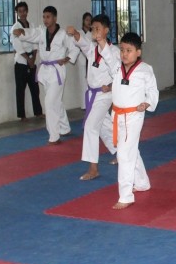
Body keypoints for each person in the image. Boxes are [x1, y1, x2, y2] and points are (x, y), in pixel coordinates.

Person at [13, 6, 80, 144]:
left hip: (57, 70)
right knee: (56, 101)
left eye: (48, 17)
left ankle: (54, 136)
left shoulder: (63, 34)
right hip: (45, 70)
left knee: (49, 102)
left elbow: (74, 48)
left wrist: (67, 59)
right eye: (44, 17)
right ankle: (65, 128)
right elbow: (31, 33)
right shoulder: (41, 32)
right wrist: (21, 32)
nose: (45, 20)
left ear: (55, 18)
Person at [66, 14, 119, 181]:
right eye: (93, 28)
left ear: (106, 30)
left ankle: (93, 168)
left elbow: (118, 73)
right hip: (93, 93)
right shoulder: (92, 48)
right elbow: (82, 42)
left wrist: (110, 86)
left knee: (90, 126)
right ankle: (120, 152)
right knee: (103, 125)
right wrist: (75, 33)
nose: (95, 31)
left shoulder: (114, 51)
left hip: (105, 94)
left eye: (98, 28)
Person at [110, 32, 158, 209]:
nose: (124, 54)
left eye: (129, 50)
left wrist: (147, 102)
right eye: (122, 50)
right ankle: (142, 182)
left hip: (134, 116)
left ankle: (126, 195)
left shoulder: (145, 69)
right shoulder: (117, 67)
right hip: (116, 114)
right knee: (130, 150)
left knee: (124, 154)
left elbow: (153, 91)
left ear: (138, 52)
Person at [11, 2, 42, 121]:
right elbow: (17, 45)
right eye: (20, 11)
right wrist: (27, 58)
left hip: (32, 60)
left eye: (24, 11)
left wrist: (33, 57)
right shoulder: (15, 27)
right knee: (20, 89)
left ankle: (38, 112)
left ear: (27, 11)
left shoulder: (32, 25)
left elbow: (35, 42)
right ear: (17, 13)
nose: (22, 13)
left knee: (35, 88)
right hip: (21, 61)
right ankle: (22, 115)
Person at [77, 12, 93, 109]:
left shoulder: (92, 34)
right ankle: (84, 105)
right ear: (83, 21)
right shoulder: (79, 33)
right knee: (83, 82)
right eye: (87, 20)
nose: (88, 22)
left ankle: (91, 103)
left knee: (91, 82)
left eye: (90, 20)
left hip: (90, 60)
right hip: (82, 60)